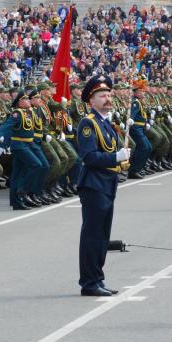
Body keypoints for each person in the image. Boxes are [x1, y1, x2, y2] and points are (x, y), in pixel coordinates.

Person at [76, 74, 130, 297]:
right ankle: (89, 282)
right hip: (94, 185)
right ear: (91, 100)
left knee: (102, 235)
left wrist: (121, 161)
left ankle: (98, 277)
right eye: (102, 95)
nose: (107, 98)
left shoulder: (106, 124)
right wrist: (115, 157)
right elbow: (89, 157)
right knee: (93, 235)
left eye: (108, 94)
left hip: (108, 184)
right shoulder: (89, 123)